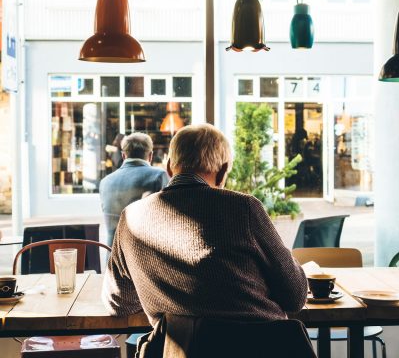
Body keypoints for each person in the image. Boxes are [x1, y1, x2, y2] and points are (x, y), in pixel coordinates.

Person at [102, 123, 307, 327]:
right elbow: (296, 296)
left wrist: (161, 290)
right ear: (223, 171)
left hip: (181, 350)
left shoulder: (131, 217)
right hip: (263, 347)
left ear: (169, 167)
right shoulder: (244, 208)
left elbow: (118, 303)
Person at [99, 132, 169, 247]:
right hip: (144, 258)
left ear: (123, 155)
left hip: (112, 258)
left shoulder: (105, 182)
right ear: (150, 155)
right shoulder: (159, 176)